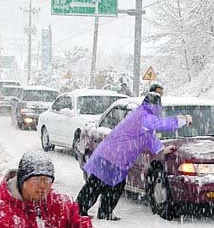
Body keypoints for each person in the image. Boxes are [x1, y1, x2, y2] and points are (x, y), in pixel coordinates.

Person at [76, 91, 192, 220]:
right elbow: (160, 124)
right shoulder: (143, 115)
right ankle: (82, 211)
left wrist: (161, 150)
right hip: (113, 156)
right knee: (99, 184)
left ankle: (96, 211)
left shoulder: (140, 116)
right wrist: (182, 120)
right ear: (155, 106)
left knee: (109, 184)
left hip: (113, 155)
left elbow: (147, 138)